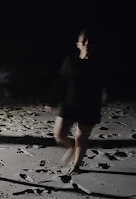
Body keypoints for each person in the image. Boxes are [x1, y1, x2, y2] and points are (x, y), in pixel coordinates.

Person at [44, 28, 107, 174]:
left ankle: (76, 165)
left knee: (81, 137)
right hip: (70, 103)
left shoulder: (99, 62)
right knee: (59, 135)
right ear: (78, 44)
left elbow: (105, 82)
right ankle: (72, 146)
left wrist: (104, 94)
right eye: (83, 41)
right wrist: (51, 100)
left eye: (89, 41)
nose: (86, 44)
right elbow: (62, 81)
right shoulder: (70, 60)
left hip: (90, 104)